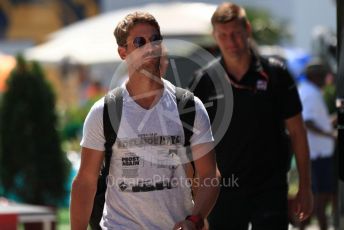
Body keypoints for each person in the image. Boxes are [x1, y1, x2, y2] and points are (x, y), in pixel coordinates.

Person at [70, 11, 220, 230]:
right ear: (123, 52)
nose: (150, 47)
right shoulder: (104, 111)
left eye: (155, 40)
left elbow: (209, 175)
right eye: (140, 42)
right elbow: (85, 182)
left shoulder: (188, 106)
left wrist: (194, 220)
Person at [189, 2, 313, 230]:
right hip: (223, 187)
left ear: (247, 29)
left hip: (270, 186)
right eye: (223, 35)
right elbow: (189, 142)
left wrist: (305, 186)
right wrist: (196, 202)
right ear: (215, 36)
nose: (231, 42)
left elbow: (298, 131)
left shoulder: (276, 74)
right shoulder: (204, 80)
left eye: (236, 33)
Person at [298, 61, 337, 230]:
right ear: (315, 77)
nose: (325, 79)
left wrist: (331, 121)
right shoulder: (310, 93)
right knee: (321, 198)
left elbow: (315, 121)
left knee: (320, 197)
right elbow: (307, 122)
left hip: (318, 153)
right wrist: (330, 134)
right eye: (323, 75)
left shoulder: (310, 91)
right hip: (317, 154)